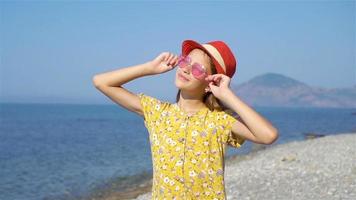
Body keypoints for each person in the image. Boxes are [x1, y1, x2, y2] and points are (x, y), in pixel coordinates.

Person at [93, 39, 279, 199]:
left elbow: (268, 135)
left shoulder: (220, 121)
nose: (187, 69)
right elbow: (101, 82)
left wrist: (226, 95)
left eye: (198, 69)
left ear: (211, 83)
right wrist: (149, 68)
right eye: (185, 61)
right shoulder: (158, 113)